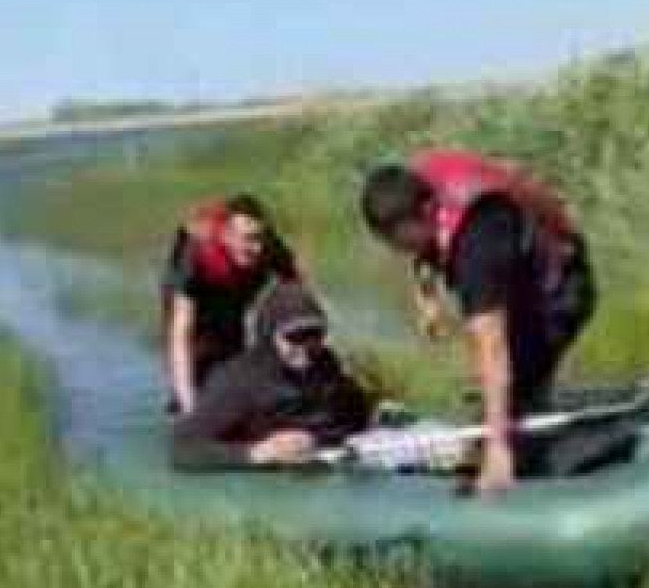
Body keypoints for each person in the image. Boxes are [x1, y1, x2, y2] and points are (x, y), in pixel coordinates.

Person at [359, 149, 597, 495]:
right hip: (514, 259)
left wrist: (498, 446)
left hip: (558, 288)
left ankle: (527, 466)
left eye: (400, 241)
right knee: (496, 387)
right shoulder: (419, 183)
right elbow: (421, 249)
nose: (398, 251)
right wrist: (426, 294)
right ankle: (500, 429)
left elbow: (492, 345)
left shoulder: (478, 245)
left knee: (518, 380)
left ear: (427, 211)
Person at [171, 282, 375, 469]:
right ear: (270, 336)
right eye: (295, 337)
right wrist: (255, 454)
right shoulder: (237, 381)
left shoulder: (326, 366)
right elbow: (184, 450)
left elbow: (355, 415)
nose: (306, 347)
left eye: (315, 335)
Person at [160, 193, 301, 415]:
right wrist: (191, 412)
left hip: (236, 290)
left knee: (233, 352)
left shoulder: (269, 247)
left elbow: (299, 295)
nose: (258, 248)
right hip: (198, 293)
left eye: (260, 238)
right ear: (225, 235)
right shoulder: (195, 253)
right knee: (202, 356)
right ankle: (185, 403)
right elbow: (181, 334)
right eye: (248, 239)